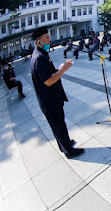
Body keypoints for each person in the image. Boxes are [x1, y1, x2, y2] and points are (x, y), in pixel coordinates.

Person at [30, 26, 84, 158]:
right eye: (46, 38)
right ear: (38, 42)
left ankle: (64, 144)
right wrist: (63, 69)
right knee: (58, 125)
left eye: (49, 36)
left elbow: (48, 73)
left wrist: (58, 69)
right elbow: (48, 81)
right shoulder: (39, 58)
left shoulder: (42, 53)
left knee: (59, 124)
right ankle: (69, 151)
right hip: (49, 101)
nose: (49, 39)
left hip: (52, 98)